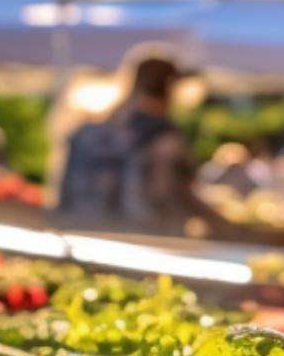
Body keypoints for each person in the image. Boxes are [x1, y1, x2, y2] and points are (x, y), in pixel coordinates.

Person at [56, 50, 235, 236]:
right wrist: (232, 230)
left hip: (85, 240)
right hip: (146, 244)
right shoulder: (164, 139)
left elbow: (63, 197)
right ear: (170, 89)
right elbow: (179, 198)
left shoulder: (88, 133)